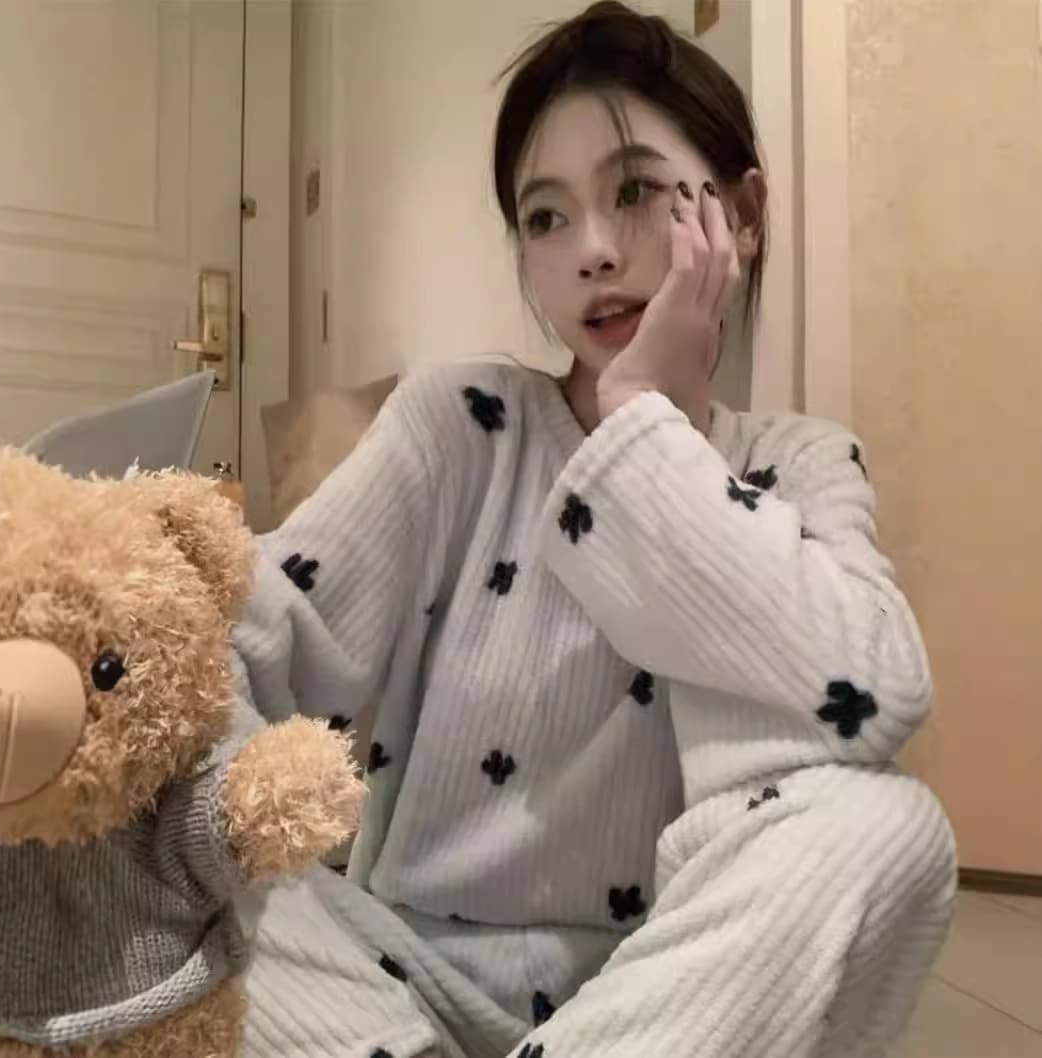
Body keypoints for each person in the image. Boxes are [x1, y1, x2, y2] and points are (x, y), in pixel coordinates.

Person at [234, 4, 957, 1057]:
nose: (594, 252)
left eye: (633, 191)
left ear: (742, 213)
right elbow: (250, 634)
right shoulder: (460, 423)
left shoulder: (800, 463)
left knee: (890, 827)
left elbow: (875, 695)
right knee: (144, 766)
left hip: (675, 1000)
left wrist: (641, 435)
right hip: (396, 989)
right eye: (545, 217)